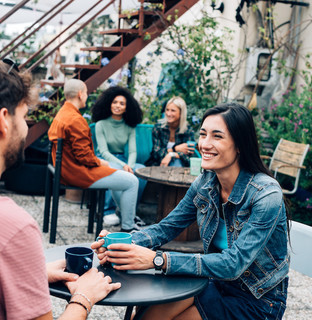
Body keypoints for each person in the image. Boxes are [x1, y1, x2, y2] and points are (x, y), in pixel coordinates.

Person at [92, 103, 290, 320]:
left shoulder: (266, 195)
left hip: (257, 300)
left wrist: (158, 260)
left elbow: (233, 264)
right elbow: (166, 228)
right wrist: (123, 243)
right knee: (147, 313)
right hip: (214, 281)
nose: (205, 144)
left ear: (240, 144)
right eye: (203, 134)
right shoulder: (205, 183)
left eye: (217, 136)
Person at [0, 58, 121, 320]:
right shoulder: (12, 228)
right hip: (80, 173)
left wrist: (32, 270)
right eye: (25, 116)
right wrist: (84, 297)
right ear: (4, 121)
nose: (26, 127)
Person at [48, 79, 140, 233]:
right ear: (80, 94)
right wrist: (100, 163)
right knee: (132, 181)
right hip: (78, 172)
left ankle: (126, 220)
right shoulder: (76, 119)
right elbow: (84, 157)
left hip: (65, 168)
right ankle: (128, 228)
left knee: (121, 175)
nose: (87, 95)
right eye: (85, 93)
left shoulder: (63, 113)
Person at [91, 86, 147, 226]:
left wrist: (131, 166)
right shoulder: (100, 125)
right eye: (115, 102)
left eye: (122, 103)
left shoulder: (129, 126)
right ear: (109, 103)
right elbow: (103, 151)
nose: (117, 106)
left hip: (123, 159)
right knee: (117, 172)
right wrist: (124, 166)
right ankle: (108, 211)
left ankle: (128, 212)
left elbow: (133, 151)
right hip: (104, 159)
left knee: (141, 172)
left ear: (126, 108)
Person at [145, 96, 195, 167]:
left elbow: (189, 158)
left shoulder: (188, 130)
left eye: (173, 110)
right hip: (157, 164)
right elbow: (156, 153)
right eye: (167, 110)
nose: (168, 114)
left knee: (177, 162)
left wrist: (171, 154)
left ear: (181, 113)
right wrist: (176, 149)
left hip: (179, 167)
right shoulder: (158, 128)